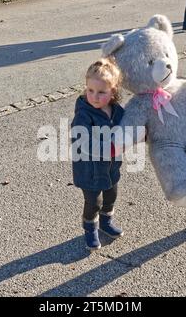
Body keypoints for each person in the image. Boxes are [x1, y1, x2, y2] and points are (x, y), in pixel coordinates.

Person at [71, 58, 125, 250]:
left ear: (113, 92)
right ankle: (90, 229)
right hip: (89, 170)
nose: (94, 96)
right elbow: (82, 141)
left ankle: (105, 223)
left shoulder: (117, 111)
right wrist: (109, 149)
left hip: (111, 167)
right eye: (90, 90)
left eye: (101, 92)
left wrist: (141, 133)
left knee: (111, 195)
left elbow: (128, 128)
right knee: (94, 201)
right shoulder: (84, 114)